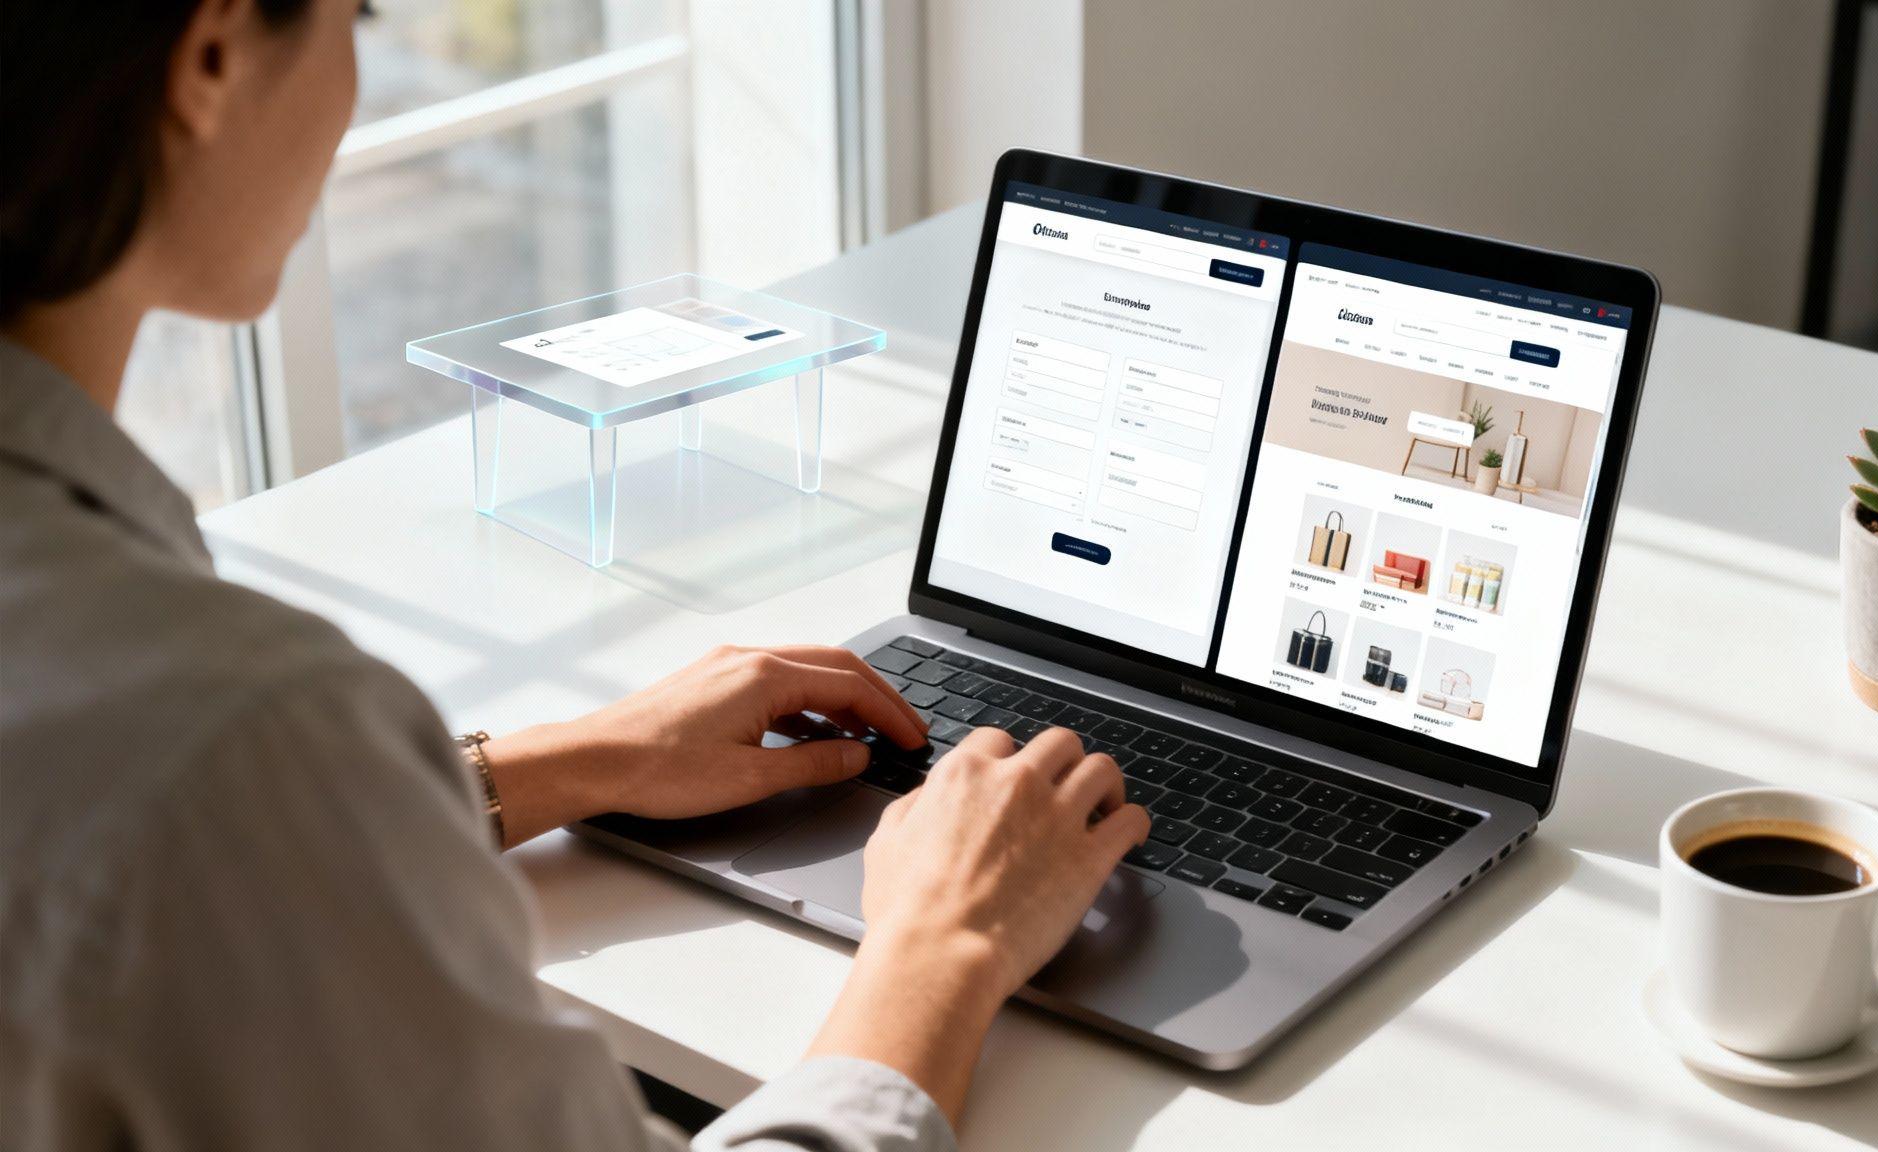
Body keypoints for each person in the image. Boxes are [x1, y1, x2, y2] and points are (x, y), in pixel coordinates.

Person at [0, 3, 1150, 1149]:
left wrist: (575, 761)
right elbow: (221, 809)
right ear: (211, 52)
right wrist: (944, 940)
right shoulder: (235, 735)